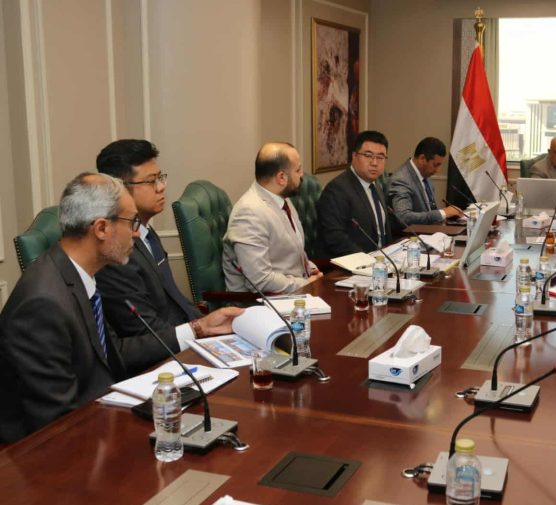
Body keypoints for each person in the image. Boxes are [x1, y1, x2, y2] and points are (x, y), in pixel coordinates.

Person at [0, 173, 242, 442]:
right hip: (53, 449)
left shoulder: (78, 276)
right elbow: (58, 424)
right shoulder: (43, 304)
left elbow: (112, 352)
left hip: (97, 421)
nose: (137, 233)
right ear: (101, 229)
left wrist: (198, 328)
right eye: (132, 222)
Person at [96, 139, 203, 337]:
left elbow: (175, 299)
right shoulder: (116, 251)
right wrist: (200, 330)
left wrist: (206, 324)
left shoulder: (147, 232)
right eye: (151, 181)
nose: (161, 187)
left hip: (184, 335)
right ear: (120, 188)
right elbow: (143, 329)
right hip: (163, 347)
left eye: (161, 177)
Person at [222, 142, 322, 294]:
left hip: (292, 291)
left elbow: (289, 254)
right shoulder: (249, 213)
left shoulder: (281, 198)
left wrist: (310, 270)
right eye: (298, 170)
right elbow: (260, 281)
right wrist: (306, 284)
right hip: (262, 302)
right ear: (281, 177)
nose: (302, 174)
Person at [316, 130, 392, 257]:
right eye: (368, 155)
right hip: (353, 263)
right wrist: (367, 260)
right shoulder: (337, 190)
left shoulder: (375, 185)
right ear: (354, 156)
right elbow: (335, 238)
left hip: (382, 260)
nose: (374, 163)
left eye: (380, 157)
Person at [388, 137, 462, 226]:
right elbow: (404, 217)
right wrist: (443, 213)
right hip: (409, 233)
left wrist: (445, 217)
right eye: (435, 165)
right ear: (422, 159)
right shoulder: (401, 180)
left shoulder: (425, 175)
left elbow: (430, 210)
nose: (438, 170)